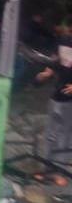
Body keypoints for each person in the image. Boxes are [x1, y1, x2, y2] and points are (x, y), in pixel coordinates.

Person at [36, 44, 72, 180]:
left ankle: (59, 171)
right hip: (56, 98)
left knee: (65, 137)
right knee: (50, 135)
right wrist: (45, 75)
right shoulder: (62, 45)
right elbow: (51, 66)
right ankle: (46, 167)